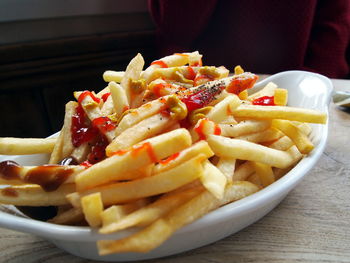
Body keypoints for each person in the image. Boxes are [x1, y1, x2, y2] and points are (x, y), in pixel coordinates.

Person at [148, 0, 350, 78]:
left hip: (295, 88)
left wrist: (308, 87)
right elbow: (175, 27)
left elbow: (334, 24)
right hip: (189, 85)